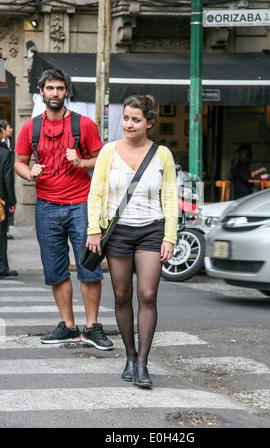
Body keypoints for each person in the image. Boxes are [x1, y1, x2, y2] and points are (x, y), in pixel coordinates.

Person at [14, 68, 113, 350]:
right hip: (45, 207)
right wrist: (28, 172)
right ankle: (69, 327)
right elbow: (20, 161)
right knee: (56, 271)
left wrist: (81, 162)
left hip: (81, 205)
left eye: (59, 88)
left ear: (66, 92)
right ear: (41, 92)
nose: (55, 93)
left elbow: (103, 159)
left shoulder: (84, 125)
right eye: (50, 88)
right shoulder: (30, 127)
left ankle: (93, 327)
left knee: (89, 268)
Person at [86, 95, 178, 388]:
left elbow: (170, 199)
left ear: (149, 123)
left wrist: (170, 236)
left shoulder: (162, 154)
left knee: (147, 295)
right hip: (118, 232)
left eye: (136, 119)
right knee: (122, 295)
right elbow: (96, 193)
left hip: (152, 230)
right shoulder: (108, 152)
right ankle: (129, 355)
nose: (128, 124)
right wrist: (93, 230)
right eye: (125, 118)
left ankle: (142, 364)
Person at [0, 120, 17, 278]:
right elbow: (8, 180)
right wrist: (12, 202)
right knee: (1, 235)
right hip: (1, 202)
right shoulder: (4, 153)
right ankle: (2, 267)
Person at [1, 120, 14, 239]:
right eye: (9, 127)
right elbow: (7, 177)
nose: (11, 130)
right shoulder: (3, 149)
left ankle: (6, 230)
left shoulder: (9, 143)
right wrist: (12, 200)